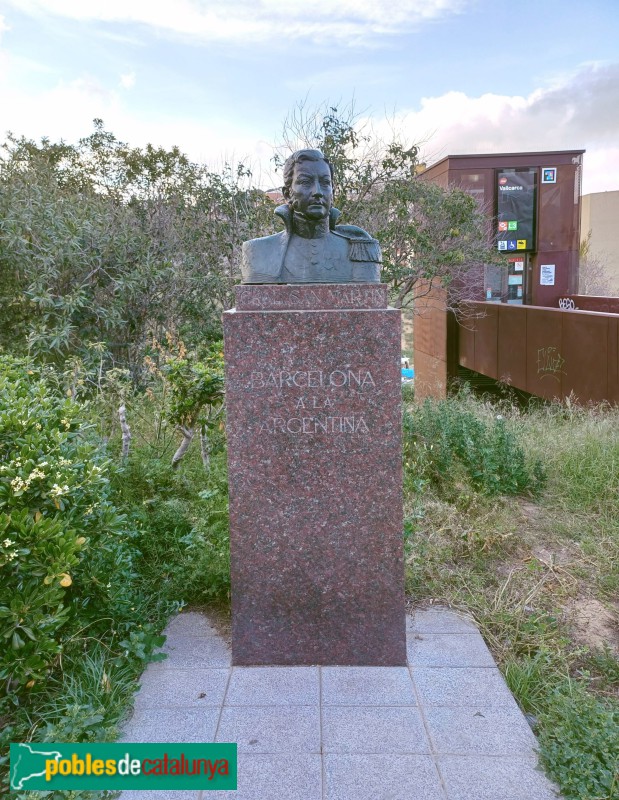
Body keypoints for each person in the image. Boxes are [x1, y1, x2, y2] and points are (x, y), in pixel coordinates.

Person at [241, 149, 381, 284]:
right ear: (287, 194)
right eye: (306, 182)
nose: (318, 192)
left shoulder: (359, 247)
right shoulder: (259, 251)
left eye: (325, 182)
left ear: (332, 192)